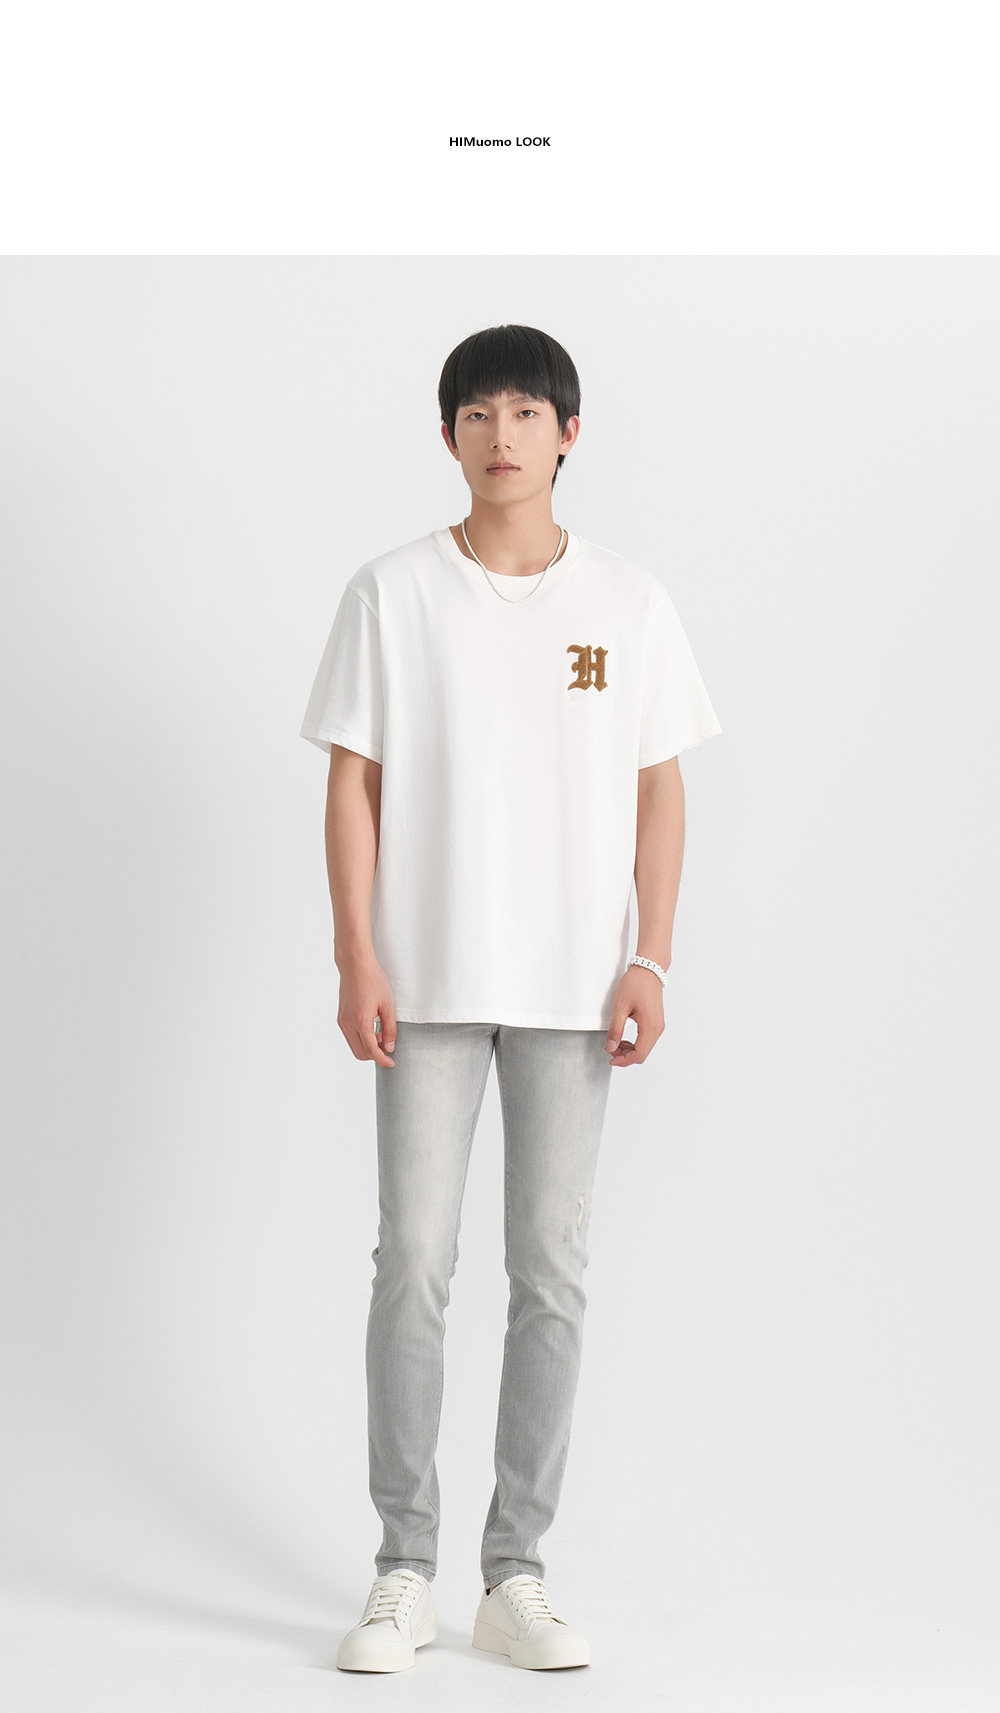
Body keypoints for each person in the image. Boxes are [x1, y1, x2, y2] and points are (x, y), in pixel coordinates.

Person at [299, 323, 723, 1672]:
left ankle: (515, 1569)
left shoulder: (628, 603)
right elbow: (353, 778)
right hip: (424, 976)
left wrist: (653, 954)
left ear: (568, 434)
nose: (501, 435)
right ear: (447, 437)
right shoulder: (392, 594)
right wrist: (356, 952)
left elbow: (660, 786)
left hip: (573, 987)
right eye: (477, 413)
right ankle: (402, 1566)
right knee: (413, 1266)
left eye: (526, 412)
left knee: (550, 1273)